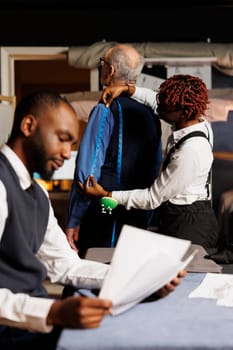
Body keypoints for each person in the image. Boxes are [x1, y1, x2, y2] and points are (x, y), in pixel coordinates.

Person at [0, 90, 185, 350]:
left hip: (31, 324)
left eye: (72, 144)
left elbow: (65, 265)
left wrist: (140, 279)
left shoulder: (37, 192)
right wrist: (51, 312)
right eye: (63, 139)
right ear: (29, 125)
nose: (67, 154)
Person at [79, 74, 219, 249]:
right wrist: (127, 89)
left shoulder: (191, 151)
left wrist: (106, 195)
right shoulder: (196, 120)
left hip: (189, 224)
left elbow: (152, 198)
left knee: (184, 275)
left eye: (165, 108)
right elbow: (156, 101)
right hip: (178, 215)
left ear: (182, 112)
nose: (159, 109)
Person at [66, 44, 162, 256]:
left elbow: (87, 174)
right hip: (139, 213)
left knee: (96, 276)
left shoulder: (105, 108)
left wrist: (74, 219)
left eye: (103, 64)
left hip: (104, 210)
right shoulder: (151, 114)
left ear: (110, 71)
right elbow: (155, 170)